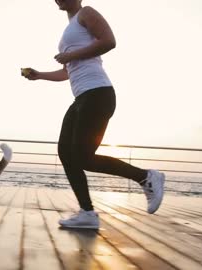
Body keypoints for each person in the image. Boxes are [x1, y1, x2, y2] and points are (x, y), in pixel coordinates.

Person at [22, 0, 165, 229]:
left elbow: (109, 41)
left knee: (83, 157)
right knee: (66, 154)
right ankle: (87, 213)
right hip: (82, 98)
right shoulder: (69, 30)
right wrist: (39, 75)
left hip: (98, 93)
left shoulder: (85, 13)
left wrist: (71, 56)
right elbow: (66, 73)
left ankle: (147, 176)